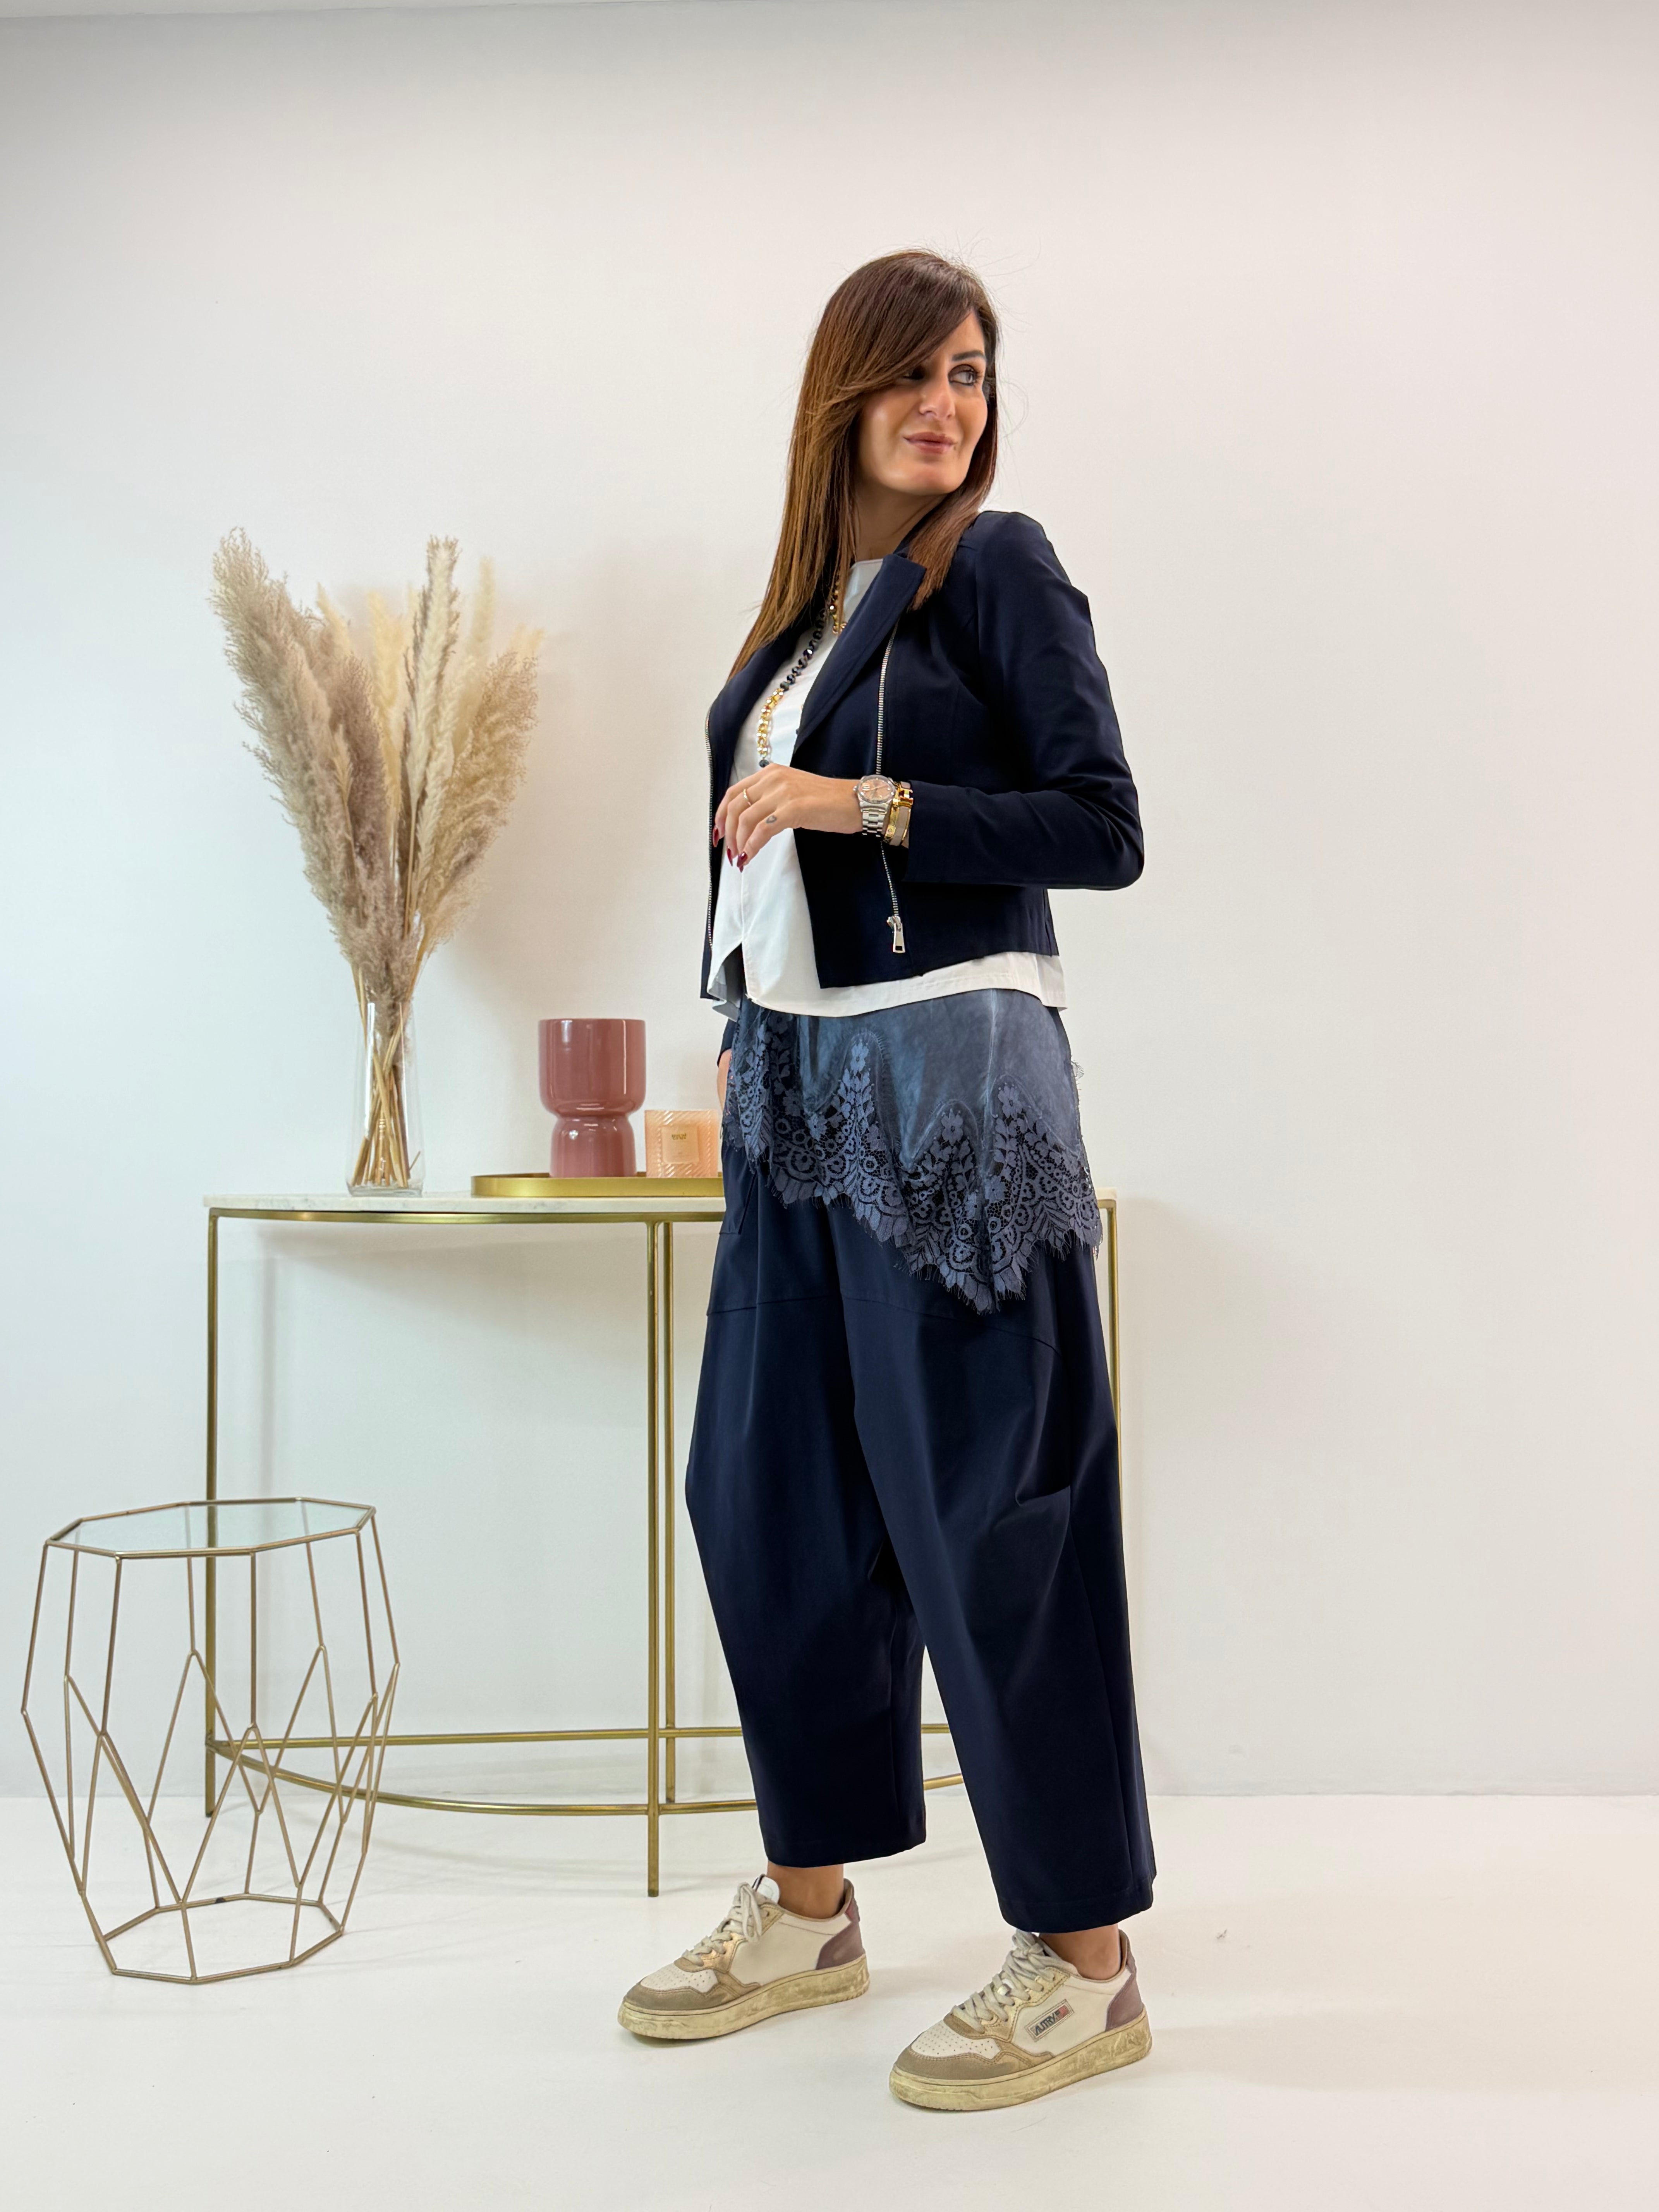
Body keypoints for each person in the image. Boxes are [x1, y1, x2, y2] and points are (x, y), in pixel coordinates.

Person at [617, 249, 1154, 2112]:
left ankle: (1085, 1964)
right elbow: (749, 855)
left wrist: (871, 806)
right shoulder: (794, 623)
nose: (948, 403)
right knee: (766, 1492)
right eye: (916, 371)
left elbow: (1103, 826)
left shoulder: (992, 567)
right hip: (791, 1087)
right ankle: (811, 1906)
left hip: (953, 1085)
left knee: (992, 1507)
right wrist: (733, 1014)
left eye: (973, 372)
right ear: (838, 392)